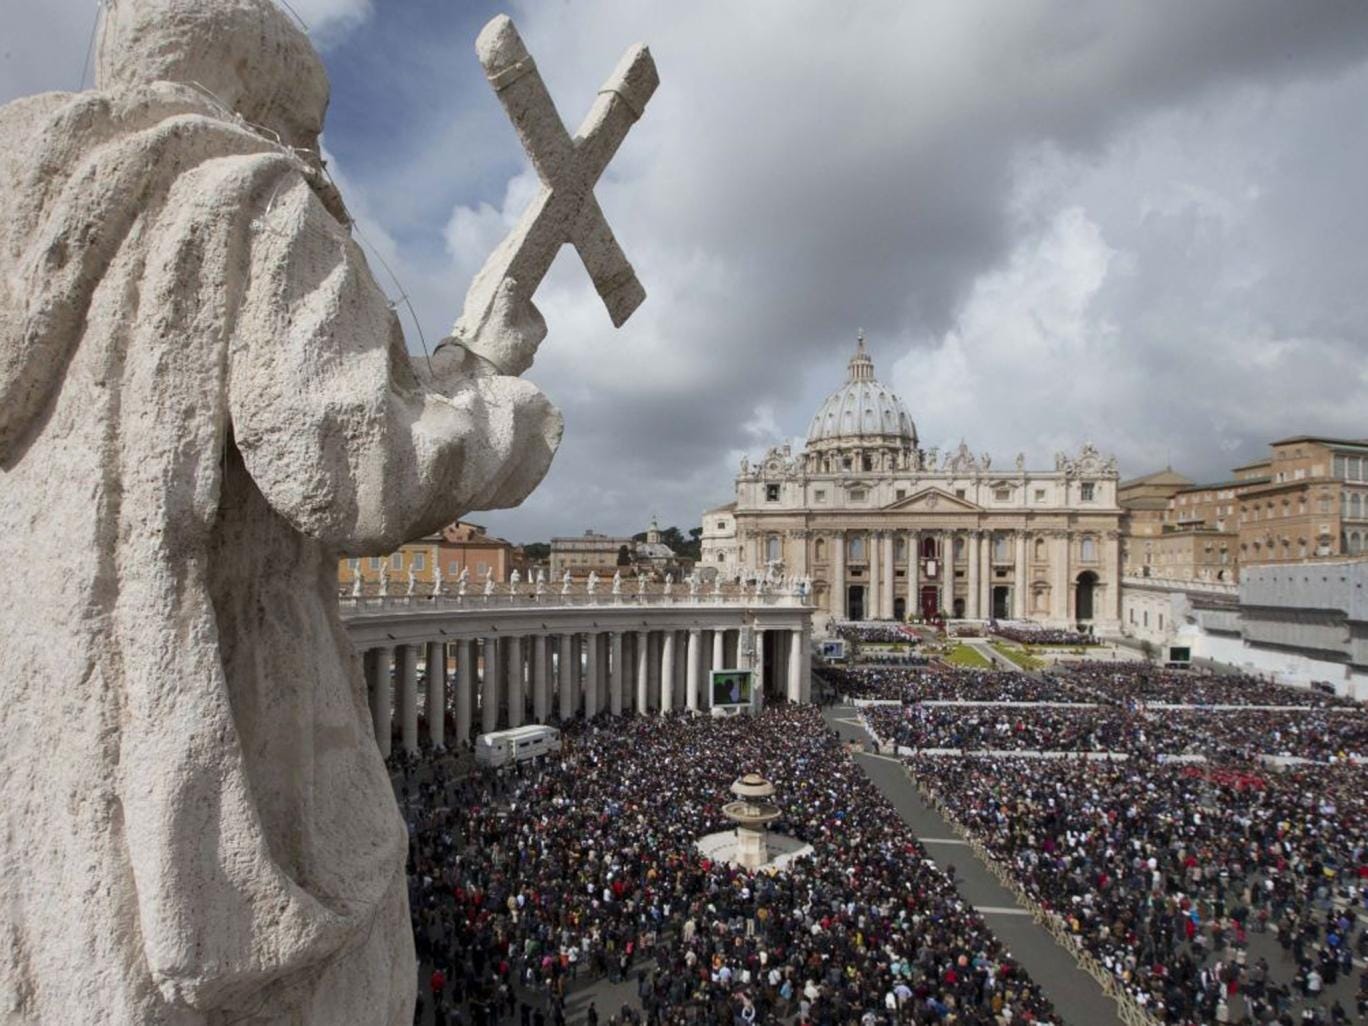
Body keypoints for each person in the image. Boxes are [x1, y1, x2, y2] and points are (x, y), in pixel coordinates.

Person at [0, 1, 560, 1023]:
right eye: (309, 126)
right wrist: (492, 400)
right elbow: (351, 469)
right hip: (223, 749)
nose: (319, 158)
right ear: (262, 95)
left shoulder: (28, 223)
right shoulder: (248, 198)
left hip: (52, 755)